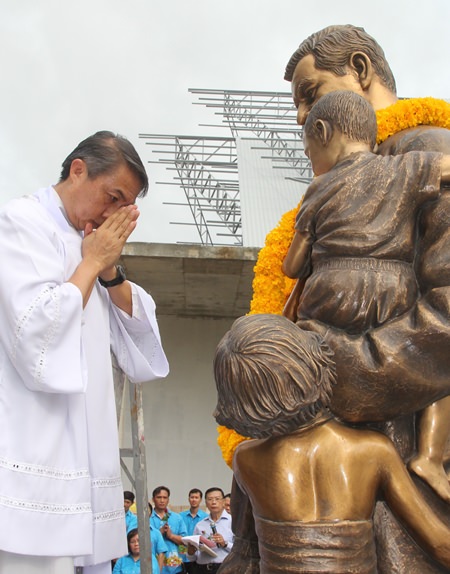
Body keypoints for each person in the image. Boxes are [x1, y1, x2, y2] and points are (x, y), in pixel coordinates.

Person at [282, 24, 450, 504]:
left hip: (394, 441)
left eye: (309, 94)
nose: (301, 118)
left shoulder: (427, 149)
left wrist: (330, 365)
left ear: (359, 69)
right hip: (338, 440)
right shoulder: (335, 179)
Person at [0, 131, 170, 574]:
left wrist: (108, 271)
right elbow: (33, 333)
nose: (113, 214)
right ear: (78, 170)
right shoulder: (21, 222)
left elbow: (138, 351)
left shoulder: (90, 247)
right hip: (39, 455)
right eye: (111, 197)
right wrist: (89, 264)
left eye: (125, 207)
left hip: (89, 457)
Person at [213, 314, 450, 574]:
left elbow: (244, 552)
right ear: (310, 363)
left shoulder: (246, 459)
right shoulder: (371, 450)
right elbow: (439, 544)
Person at [187, 487, 233, 574]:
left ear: (223, 502)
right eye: (210, 499)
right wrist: (190, 552)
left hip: (225, 568)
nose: (214, 502)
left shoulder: (233, 522)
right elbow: (193, 557)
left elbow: (240, 550)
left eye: (217, 499)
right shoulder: (200, 525)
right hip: (202, 569)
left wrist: (225, 543)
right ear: (206, 503)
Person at [150, 486, 187, 574]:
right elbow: (142, 542)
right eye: (159, 497)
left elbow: (185, 542)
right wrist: (159, 533)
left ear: (168, 500)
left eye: (165, 497)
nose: (162, 500)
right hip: (154, 567)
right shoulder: (147, 518)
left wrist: (171, 536)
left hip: (175, 568)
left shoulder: (177, 518)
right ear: (153, 499)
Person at [180, 489, 208, 574]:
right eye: (192, 497)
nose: (194, 500)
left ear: (200, 500)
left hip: (199, 555)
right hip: (183, 554)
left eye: (196, 497)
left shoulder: (206, 517)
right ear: (188, 499)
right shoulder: (180, 516)